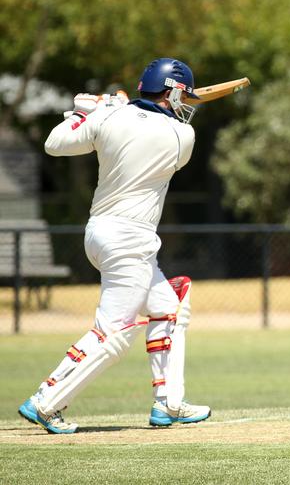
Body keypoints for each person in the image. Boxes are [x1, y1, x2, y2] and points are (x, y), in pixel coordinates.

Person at [18, 58, 211, 434]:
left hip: (99, 233)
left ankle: (168, 403)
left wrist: (87, 111)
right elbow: (165, 135)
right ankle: (46, 400)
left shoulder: (109, 118)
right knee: (115, 332)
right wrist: (111, 110)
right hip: (130, 240)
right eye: (182, 95)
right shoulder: (180, 136)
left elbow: (55, 144)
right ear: (171, 91)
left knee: (168, 307)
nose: (186, 104)